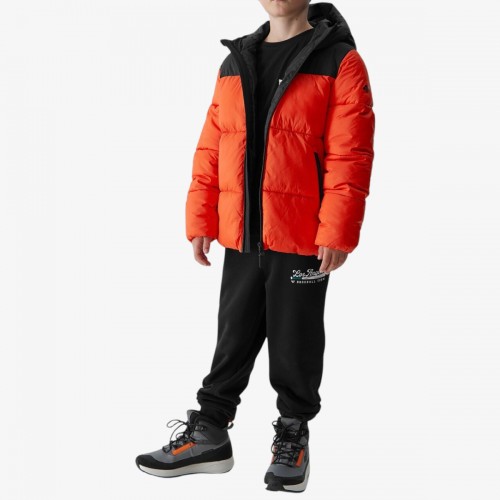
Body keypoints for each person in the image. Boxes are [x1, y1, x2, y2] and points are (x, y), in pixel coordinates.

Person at [136, 0, 375, 492]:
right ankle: (211, 432)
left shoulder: (339, 60)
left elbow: (350, 151)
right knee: (234, 332)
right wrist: (201, 217)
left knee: (295, 338)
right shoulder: (235, 61)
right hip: (242, 230)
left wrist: (336, 230)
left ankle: (293, 434)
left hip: (302, 233)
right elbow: (212, 146)